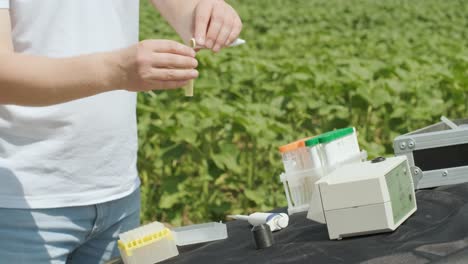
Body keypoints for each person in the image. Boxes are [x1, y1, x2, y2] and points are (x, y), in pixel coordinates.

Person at [0, 0, 242, 263]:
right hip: (20, 206)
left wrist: (205, 14)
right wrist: (115, 70)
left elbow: (186, 9)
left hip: (119, 192)